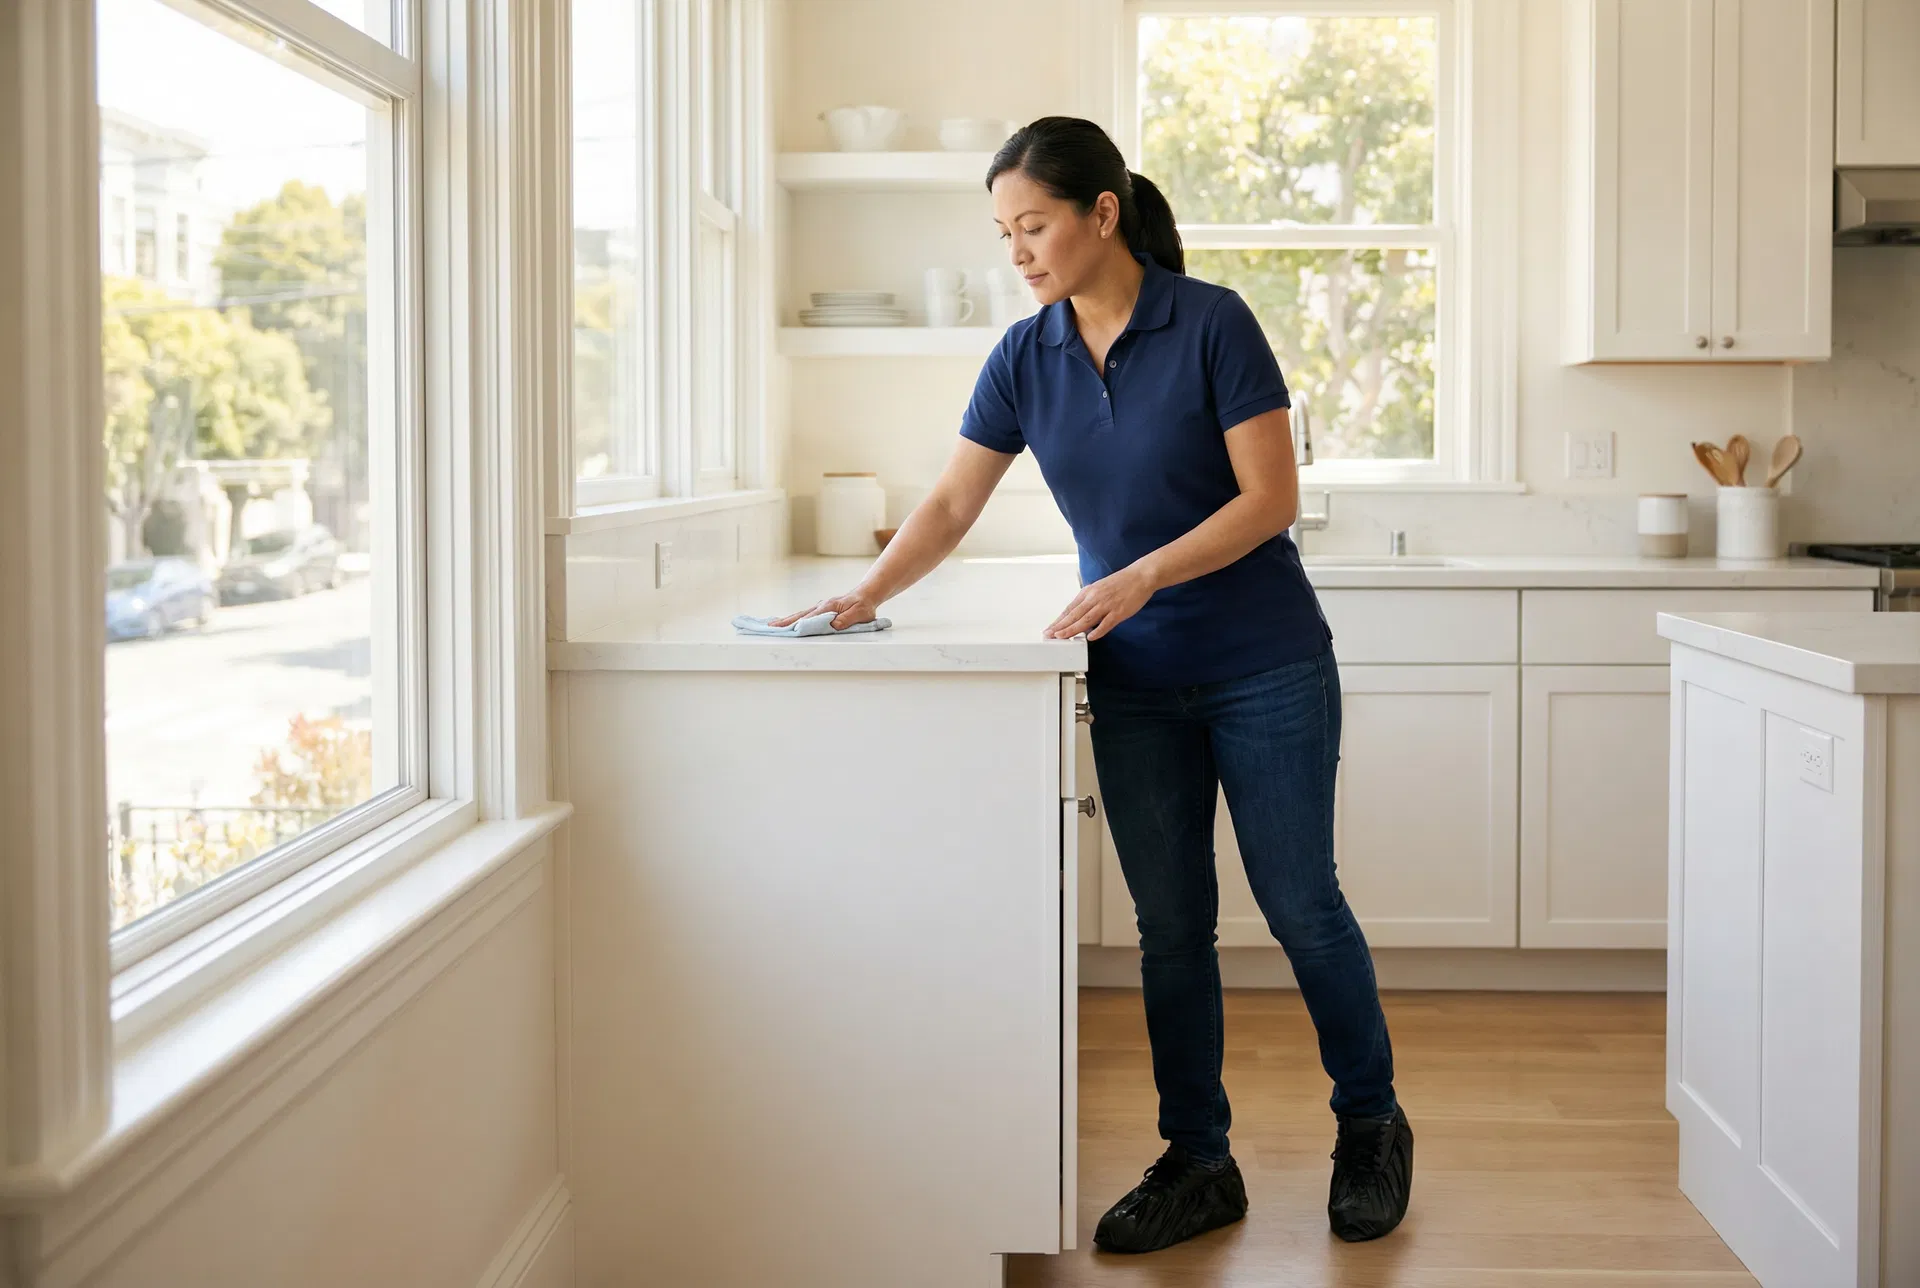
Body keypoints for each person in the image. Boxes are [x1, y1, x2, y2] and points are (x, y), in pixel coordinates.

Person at [770, 116, 1413, 1255]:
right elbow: (953, 503)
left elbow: (1270, 499)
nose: (1017, 250)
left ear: (1101, 213)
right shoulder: (1027, 355)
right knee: (1171, 925)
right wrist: (869, 591)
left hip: (1265, 664)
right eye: (1004, 231)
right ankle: (1196, 1160)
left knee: (1302, 903)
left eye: (1034, 225)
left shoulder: (1211, 321)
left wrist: (1140, 574)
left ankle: (1370, 1125)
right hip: (1136, 681)